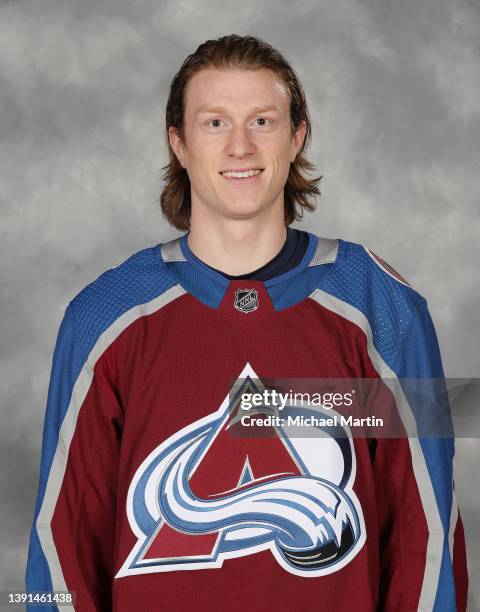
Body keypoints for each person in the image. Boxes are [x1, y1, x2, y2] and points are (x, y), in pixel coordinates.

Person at [26, 34, 468, 611]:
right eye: (215, 123)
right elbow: (60, 545)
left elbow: (427, 535)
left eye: (262, 120)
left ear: (296, 137)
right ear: (178, 144)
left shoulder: (384, 306)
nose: (240, 145)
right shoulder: (105, 316)